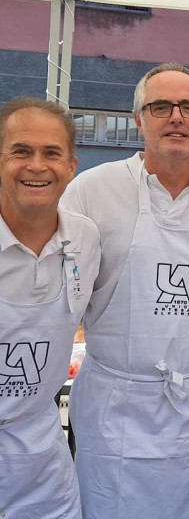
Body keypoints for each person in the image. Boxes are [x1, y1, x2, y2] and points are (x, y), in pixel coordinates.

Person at [60, 64, 189, 519]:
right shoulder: (91, 191)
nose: (176, 117)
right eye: (161, 107)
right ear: (139, 118)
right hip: (115, 408)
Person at [0, 97, 100, 519]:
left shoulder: (85, 238)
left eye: (52, 153)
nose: (37, 166)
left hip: (43, 466)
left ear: (72, 166)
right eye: (21, 151)